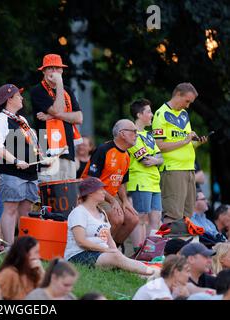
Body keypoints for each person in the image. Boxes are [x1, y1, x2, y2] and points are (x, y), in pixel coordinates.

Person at [64, 177, 156, 276]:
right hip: (78, 255)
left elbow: (109, 238)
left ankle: (149, 273)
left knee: (120, 259)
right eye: (100, 190)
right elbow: (81, 241)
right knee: (117, 259)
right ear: (90, 193)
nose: (104, 192)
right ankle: (153, 272)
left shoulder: (101, 212)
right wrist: (106, 250)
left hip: (100, 253)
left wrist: (115, 251)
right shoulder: (79, 212)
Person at [0, 84, 40, 246]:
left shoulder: (21, 120)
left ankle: (24, 246)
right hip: (11, 172)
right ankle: (10, 247)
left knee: (26, 211)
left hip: (30, 173)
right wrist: (16, 161)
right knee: (10, 209)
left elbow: (32, 143)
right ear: (9, 99)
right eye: (19, 96)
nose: (22, 98)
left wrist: (43, 155)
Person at [152, 83, 208, 223]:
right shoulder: (161, 114)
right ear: (178, 95)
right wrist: (184, 141)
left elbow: (186, 142)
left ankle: (183, 245)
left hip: (189, 169)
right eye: (187, 101)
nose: (188, 106)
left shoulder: (184, 114)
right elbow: (159, 145)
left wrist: (196, 142)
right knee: (173, 214)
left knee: (187, 214)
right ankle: (171, 245)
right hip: (173, 169)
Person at [81, 120, 139, 246]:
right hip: (94, 193)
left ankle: (114, 249)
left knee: (133, 219)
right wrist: (112, 201)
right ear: (122, 134)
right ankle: (100, 249)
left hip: (112, 195)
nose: (136, 134)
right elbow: (92, 181)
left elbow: (121, 181)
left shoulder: (127, 155)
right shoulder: (103, 150)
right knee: (117, 219)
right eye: (134, 131)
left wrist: (124, 201)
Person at [30, 53, 83, 181]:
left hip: (68, 152)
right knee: (51, 196)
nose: (54, 71)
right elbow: (58, 110)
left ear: (62, 70)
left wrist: (51, 116)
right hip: (48, 153)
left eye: (57, 68)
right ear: (43, 71)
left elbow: (79, 118)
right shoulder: (37, 90)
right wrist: (59, 83)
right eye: (50, 68)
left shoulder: (68, 91)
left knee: (69, 195)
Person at [127, 99, 163, 252]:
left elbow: (161, 158)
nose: (152, 115)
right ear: (139, 114)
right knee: (141, 218)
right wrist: (156, 160)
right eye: (148, 111)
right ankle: (138, 252)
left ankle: (152, 252)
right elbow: (145, 160)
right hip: (140, 180)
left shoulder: (148, 135)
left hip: (154, 181)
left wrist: (156, 160)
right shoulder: (132, 134)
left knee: (156, 219)